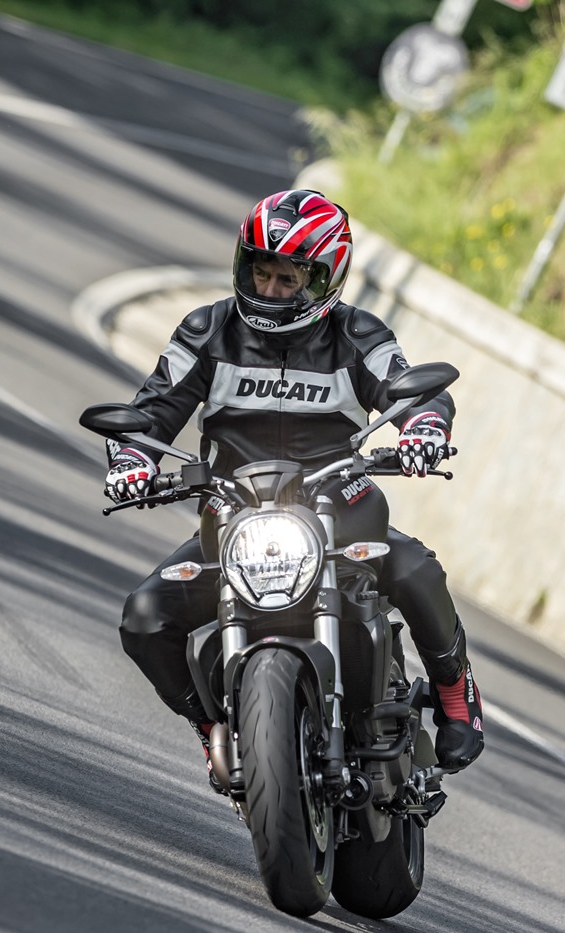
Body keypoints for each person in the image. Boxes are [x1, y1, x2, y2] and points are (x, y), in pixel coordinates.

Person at [102, 189, 483, 785]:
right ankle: (214, 726)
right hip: (231, 517)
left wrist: (424, 428)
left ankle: (457, 695)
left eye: (289, 278)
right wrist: (131, 459)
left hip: (342, 511)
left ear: (326, 277)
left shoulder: (358, 334)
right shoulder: (206, 331)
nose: (271, 289)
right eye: (261, 271)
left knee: (416, 571)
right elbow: (151, 412)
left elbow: (413, 391)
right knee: (144, 616)